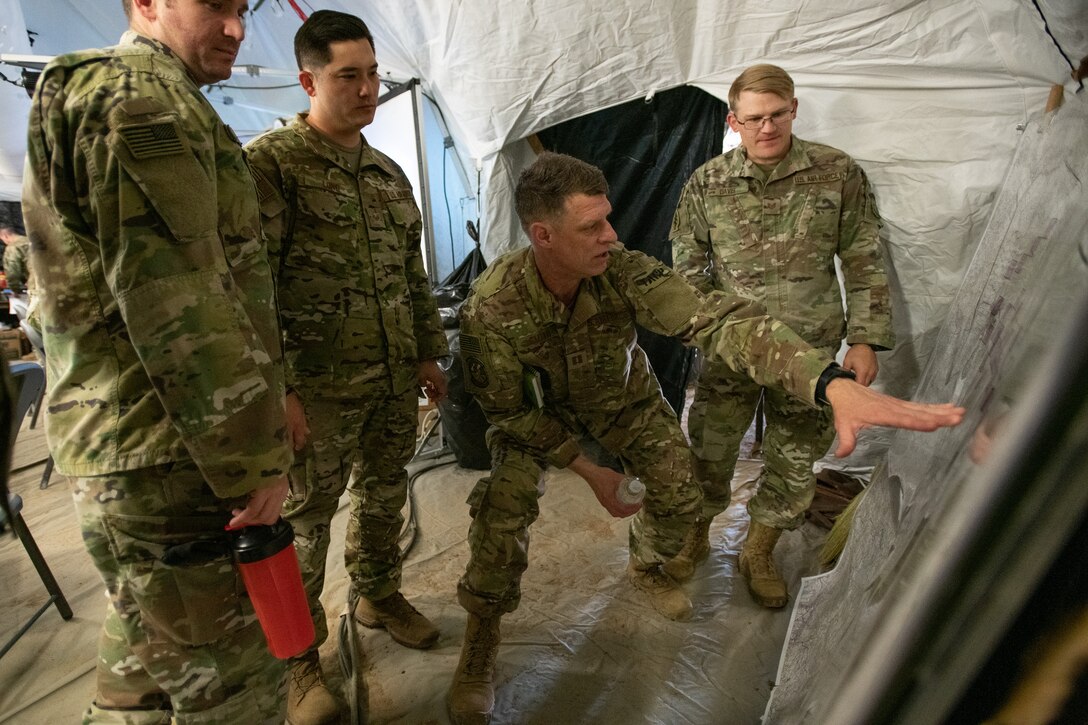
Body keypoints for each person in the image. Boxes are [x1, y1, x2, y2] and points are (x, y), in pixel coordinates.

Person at [446, 151, 962, 725]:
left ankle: (646, 563)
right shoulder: (491, 306)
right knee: (501, 511)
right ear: (543, 235)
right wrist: (589, 471)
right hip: (538, 421)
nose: (610, 235)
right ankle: (481, 636)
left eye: (608, 218)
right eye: (591, 226)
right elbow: (508, 413)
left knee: (680, 491)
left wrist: (827, 382)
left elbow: (719, 320)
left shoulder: (623, 269)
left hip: (622, 401)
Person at [21, 0, 293, 721]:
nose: (236, 29)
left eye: (242, 9)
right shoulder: (142, 99)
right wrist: (254, 461)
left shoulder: (137, 94)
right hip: (171, 457)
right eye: (215, 6)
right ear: (146, 3)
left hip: (138, 449)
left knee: (143, 674)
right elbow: (179, 302)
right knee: (235, 687)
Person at [245, 10, 449, 722]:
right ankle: (298, 660)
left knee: (384, 495)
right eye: (348, 76)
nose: (367, 90)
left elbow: (412, 275)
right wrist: (279, 391)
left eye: (373, 75)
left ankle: (378, 594)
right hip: (317, 390)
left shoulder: (388, 174)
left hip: (390, 379)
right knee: (306, 522)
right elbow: (249, 287)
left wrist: (426, 351)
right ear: (309, 81)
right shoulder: (271, 165)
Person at [670, 63, 895, 609]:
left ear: (794, 110)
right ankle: (694, 537)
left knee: (794, 459)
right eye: (753, 118)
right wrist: (709, 327)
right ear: (734, 121)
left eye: (776, 115)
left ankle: (758, 551)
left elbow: (863, 256)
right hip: (733, 350)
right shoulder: (708, 183)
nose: (766, 128)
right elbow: (687, 267)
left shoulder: (836, 172)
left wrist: (864, 339)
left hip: (810, 351)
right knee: (709, 449)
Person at [1, 224, 31, 294]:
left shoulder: (12, 247)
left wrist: (15, 289)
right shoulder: (30, 241)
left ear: (5, 236)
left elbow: (12, 272)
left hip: (35, 284)